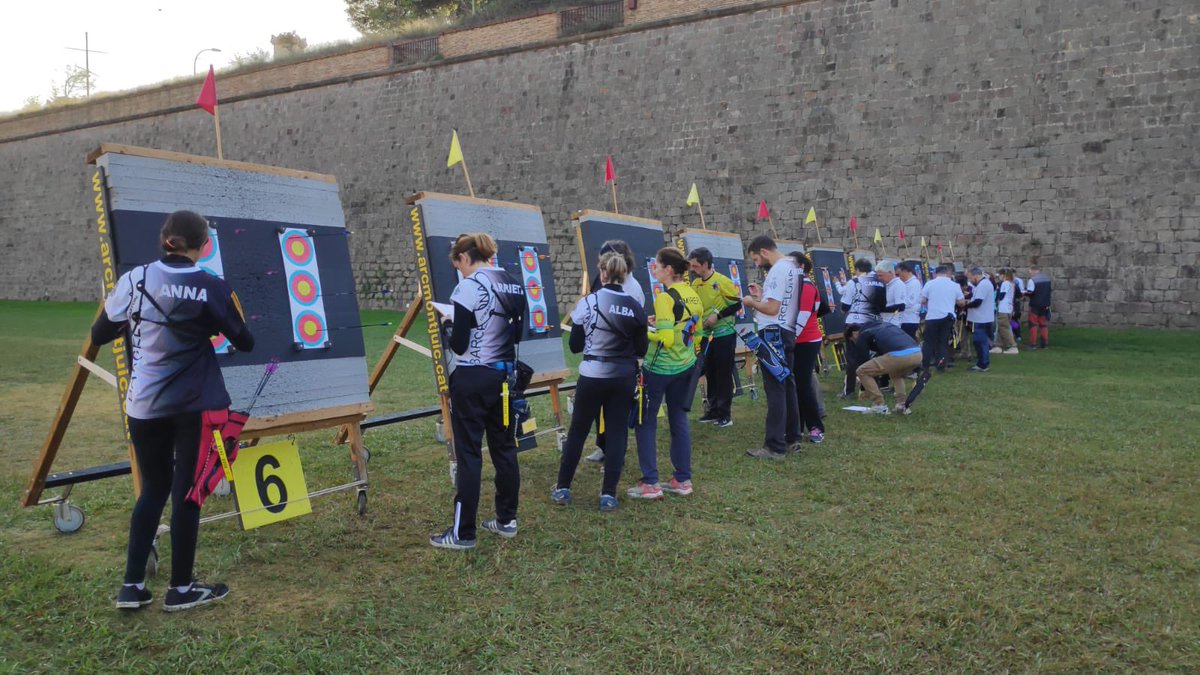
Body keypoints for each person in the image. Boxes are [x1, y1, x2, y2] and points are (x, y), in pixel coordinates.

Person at [92, 210, 254, 612]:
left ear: (165, 239)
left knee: (153, 490)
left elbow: (99, 334)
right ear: (205, 246)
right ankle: (180, 589)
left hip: (144, 406)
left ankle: (132, 586)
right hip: (194, 407)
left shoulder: (135, 279)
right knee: (188, 493)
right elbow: (245, 340)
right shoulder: (211, 287)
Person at [431, 233, 528, 550]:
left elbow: (458, 343)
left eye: (457, 263)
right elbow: (516, 331)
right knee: (504, 449)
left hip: (473, 378)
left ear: (464, 258)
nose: (458, 269)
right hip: (504, 379)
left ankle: (464, 533)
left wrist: (447, 323)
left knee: (470, 453)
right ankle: (506, 519)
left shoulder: (469, 286)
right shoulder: (513, 282)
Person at [553, 250, 648, 511]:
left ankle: (563, 488)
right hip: (623, 376)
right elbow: (641, 349)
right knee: (617, 433)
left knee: (578, 431)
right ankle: (608, 494)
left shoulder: (589, 302)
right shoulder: (635, 306)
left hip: (593, 374)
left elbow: (574, 345)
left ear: (603, 273)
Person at [628, 247, 703, 499]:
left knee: (645, 422)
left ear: (669, 270)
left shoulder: (664, 297)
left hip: (659, 368)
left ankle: (650, 483)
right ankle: (682, 479)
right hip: (686, 365)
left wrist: (642, 330)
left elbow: (666, 339)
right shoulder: (692, 294)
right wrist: (660, 325)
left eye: (657, 267)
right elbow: (695, 331)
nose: (655, 271)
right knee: (678, 420)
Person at [741, 236, 802, 460]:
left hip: (773, 334)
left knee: (776, 388)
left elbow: (773, 308)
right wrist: (762, 296)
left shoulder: (777, 270)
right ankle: (793, 437)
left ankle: (774, 446)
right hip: (787, 330)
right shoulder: (793, 267)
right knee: (787, 384)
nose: (757, 264)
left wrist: (752, 302)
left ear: (764, 252)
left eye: (756, 259)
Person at [585, 240, 645, 464]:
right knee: (600, 407)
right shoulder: (600, 281)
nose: (599, 265)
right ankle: (602, 445)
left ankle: (613, 452)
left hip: (618, 358)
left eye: (603, 260)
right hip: (599, 356)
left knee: (616, 411)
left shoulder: (632, 288)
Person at [686, 247, 741, 428]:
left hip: (724, 334)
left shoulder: (722, 281)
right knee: (709, 371)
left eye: (695, 266)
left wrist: (717, 316)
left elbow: (736, 305)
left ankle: (725, 414)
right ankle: (713, 410)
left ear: (705, 264)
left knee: (723, 374)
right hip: (705, 336)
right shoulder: (695, 284)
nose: (692, 270)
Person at [844, 322, 923, 414]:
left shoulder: (863, 333)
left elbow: (864, 360)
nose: (854, 343)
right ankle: (901, 405)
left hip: (900, 355)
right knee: (896, 373)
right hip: (917, 353)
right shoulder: (886, 325)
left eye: (853, 340)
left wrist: (863, 384)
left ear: (854, 334)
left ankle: (879, 405)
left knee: (862, 371)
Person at [788, 252, 826, 444]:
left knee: (802, 385)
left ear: (801, 266)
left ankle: (816, 427)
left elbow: (803, 315)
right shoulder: (793, 284)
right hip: (795, 340)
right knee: (796, 384)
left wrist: (790, 337)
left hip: (806, 341)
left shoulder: (807, 285)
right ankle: (798, 425)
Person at [839, 258, 886, 397]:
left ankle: (849, 391)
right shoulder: (881, 283)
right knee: (870, 356)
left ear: (857, 269)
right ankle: (872, 388)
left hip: (855, 323)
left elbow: (845, 306)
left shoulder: (854, 282)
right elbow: (883, 306)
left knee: (853, 357)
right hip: (875, 323)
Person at [919, 265, 965, 373]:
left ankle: (925, 365)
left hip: (932, 316)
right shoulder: (955, 285)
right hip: (948, 317)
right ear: (947, 273)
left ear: (936, 273)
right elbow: (961, 302)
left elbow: (923, 300)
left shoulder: (930, 283)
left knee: (928, 342)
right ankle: (941, 366)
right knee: (943, 342)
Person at [965, 266, 995, 372]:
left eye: (970, 277)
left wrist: (965, 305)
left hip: (980, 318)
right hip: (982, 317)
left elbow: (977, 302)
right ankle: (981, 362)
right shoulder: (984, 284)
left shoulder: (983, 284)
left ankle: (983, 364)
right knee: (979, 342)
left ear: (976, 276)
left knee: (980, 342)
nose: (970, 280)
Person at [1026, 266, 1052, 349]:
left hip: (1035, 304)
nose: (1030, 273)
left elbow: (1030, 292)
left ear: (1034, 271)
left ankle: (1033, 344)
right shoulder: (1047, 279)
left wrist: (1025, 293)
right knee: (1043, 325)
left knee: (1033, 324)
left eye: (1030, 271)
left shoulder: (1032, 280)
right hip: (1045, 304)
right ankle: (1045, 344)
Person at [895, 261, 923, 340]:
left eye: (898, 274)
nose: (898, 277)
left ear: (905, 271)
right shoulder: (906, 283)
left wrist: (895, 306)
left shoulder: (914, 284)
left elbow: (909, 302)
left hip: (909, 320)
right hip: (903, 319)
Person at [994, 269, 1019, 354]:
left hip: (1004, 308)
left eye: (1000, 275)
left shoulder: (1005, 283)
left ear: (1003, 275)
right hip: (1008, 308)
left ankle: (1012, 346)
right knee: (1001, 327)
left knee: (1004, 328)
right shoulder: (1012, 283)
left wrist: (997, 289)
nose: (999, 277)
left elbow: (1001, 296)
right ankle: (998, 345)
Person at [877, 261, 904, 327]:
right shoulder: (885, 285)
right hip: (883, 322)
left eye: (881, 275)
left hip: (893, 324)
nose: (879, 278)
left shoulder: (898, 284)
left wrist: (881, 309)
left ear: (890, 273)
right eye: (878, 276)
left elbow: (900, 307)